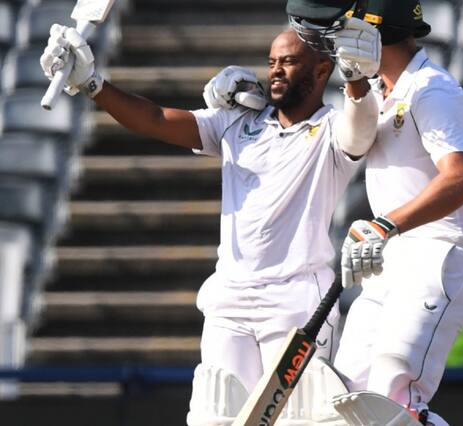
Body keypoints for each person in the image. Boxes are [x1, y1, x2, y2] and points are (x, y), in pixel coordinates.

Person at [40, 21, 381, 425]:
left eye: (288, 62)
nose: (275, 71)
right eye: (272, 62)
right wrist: (93, 84)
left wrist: (355, 75)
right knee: (214, 417)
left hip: (296, 302)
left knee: (301, 419)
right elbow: (155, 119)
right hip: (231, 298)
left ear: (322, 70)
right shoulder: (236, 121)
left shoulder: (332, 130)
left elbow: (362, 129)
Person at [285, 0, 463, 425]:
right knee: (346, 400)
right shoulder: (378, 90)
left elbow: (460, 180)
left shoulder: (432, 89)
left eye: (347, 30)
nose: (337, 42)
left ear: (374, 33)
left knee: (392, 395)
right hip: (395, 256)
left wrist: (385, 224)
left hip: (444, 251)